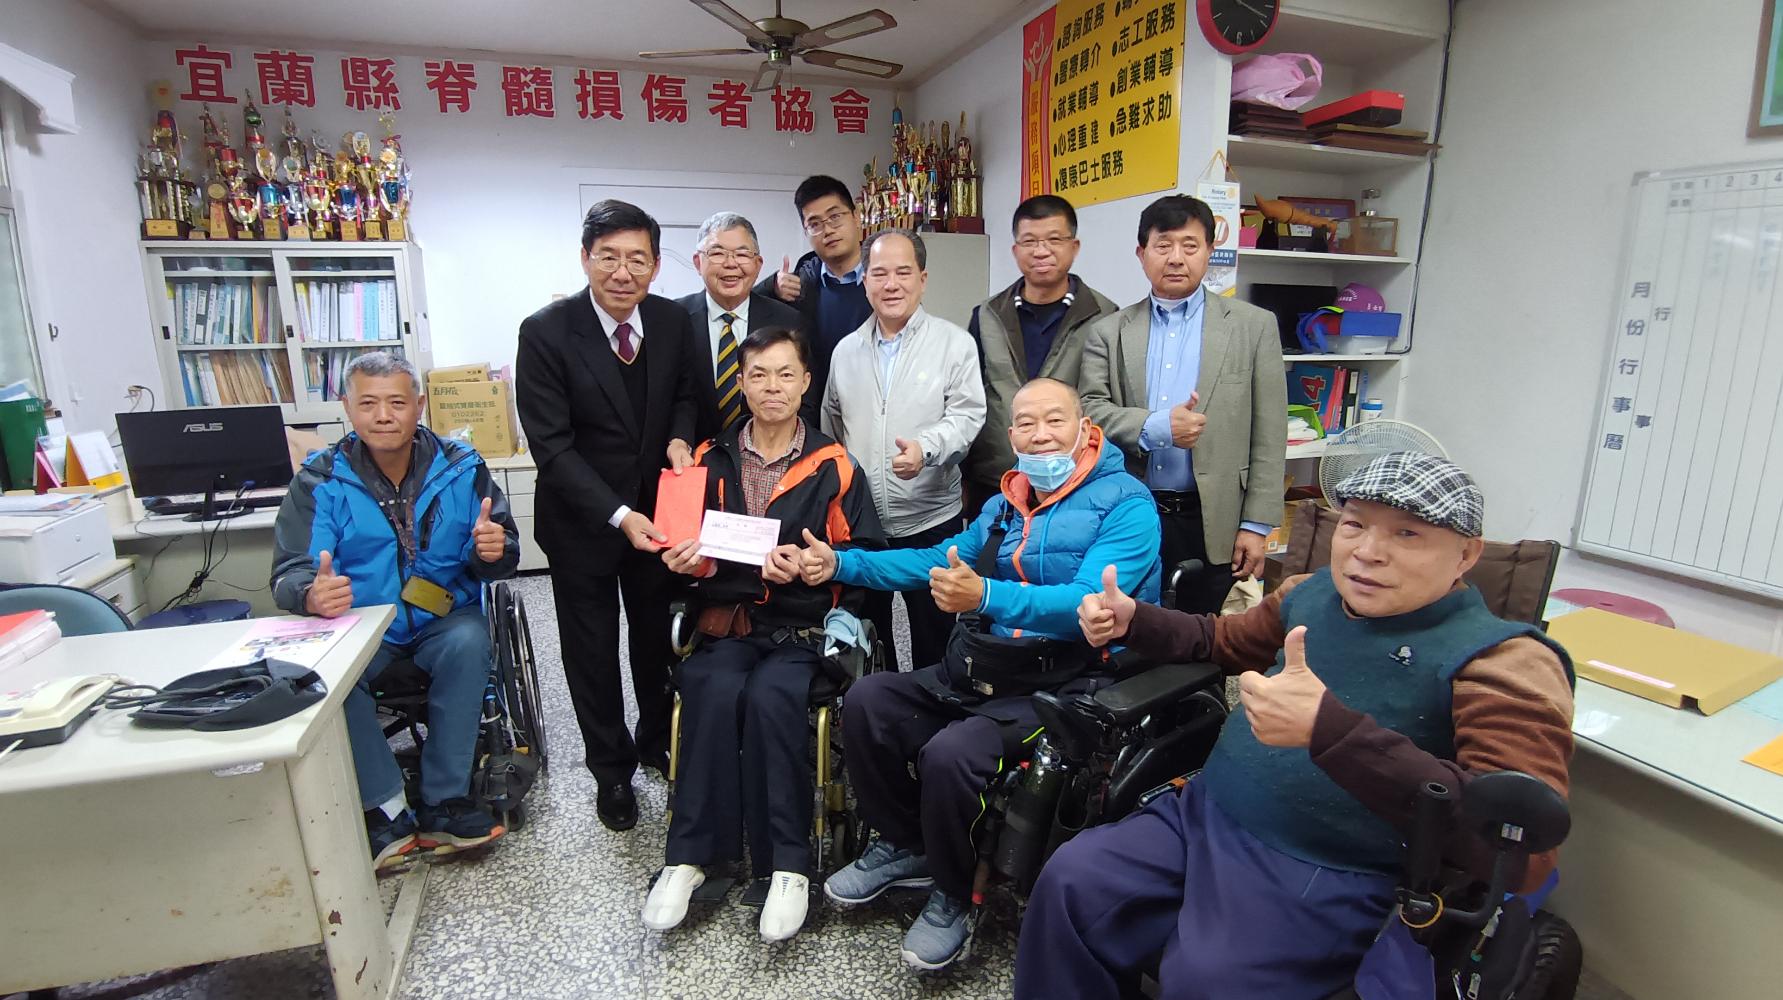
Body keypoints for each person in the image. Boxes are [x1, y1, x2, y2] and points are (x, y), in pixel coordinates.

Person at [1015, 452, 1576, 1000]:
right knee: (1071, 882)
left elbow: (1519, 854)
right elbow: (1221, 639)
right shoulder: (1310, 592)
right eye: (1354, 525)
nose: (1368, 553)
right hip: (1206, 814)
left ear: (1466, 554)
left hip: (1330, 865)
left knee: (1211, 981)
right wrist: (1135, 620)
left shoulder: (1505, 662)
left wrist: (1331, 733)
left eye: (1407, 534)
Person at [800, 378, 1161, 971]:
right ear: (1011, 435)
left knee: (952, 752)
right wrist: (841, 561)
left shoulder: (1126, 503)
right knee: (868, 700)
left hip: (1067, 679)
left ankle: (954, 891)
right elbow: (934, 561)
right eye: (1026, 424)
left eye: (1055, 420)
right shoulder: (1002, 504)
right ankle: (907, 844)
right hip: (988, 665)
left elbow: (1089, 601)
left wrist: (986, 595)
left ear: (1084, 429)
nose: (1040, 435)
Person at [640, 326, 882, 943]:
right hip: (729, 626)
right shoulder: (705, 460)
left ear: (806, 383)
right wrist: (689, 564)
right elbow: (680, 553)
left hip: (802, 628)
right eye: (759, 375)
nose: (772, 387)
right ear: (742, 384)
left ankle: (788, 866)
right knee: (710, 688)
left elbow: (865, 558)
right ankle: (689, 858)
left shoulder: (835, 465)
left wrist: (818, 566)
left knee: (775, 698)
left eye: (785, 374)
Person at [270, 351, 520, 870]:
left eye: (397, 403)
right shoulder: (319, 482)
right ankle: (385, 809)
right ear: (347, 408)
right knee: (332, 672)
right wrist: (310, 593)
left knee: (470, 643)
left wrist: (492, 549)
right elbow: (290, 570)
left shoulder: (461, 467)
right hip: (360, 624)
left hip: (442, 617)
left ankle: (445, 801)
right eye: (368, 404)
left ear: (419, 406)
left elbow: (503, 550)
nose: (383, 416)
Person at [515, 199, 701, 832]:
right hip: (583, 523)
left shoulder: (672, 321)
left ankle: (655, 741)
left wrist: (679, 438)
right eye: (609, 258)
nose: (623, 273)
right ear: (585, 258)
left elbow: (685, 395)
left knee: (655, 638)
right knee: (591, 651)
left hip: (659, 516)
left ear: (656, 265)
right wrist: (618, 513)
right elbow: (552, 446)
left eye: (638, 260)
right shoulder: (546, 331)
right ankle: (611, 771)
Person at [1078, 194, 1287, 615]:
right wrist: (1156, 426)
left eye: (1190, 245)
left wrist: (1256, 525)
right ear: (1142, 254)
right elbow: (1089, 410)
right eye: (1163, 245)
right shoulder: (1109, 331)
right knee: (1127, 625)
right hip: (1131, 509)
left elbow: (1270, 431)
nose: (1176, 258)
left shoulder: (1253, 326)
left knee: (1204, 633)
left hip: (1216, 517)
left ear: (1210, 250)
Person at [820, 228, 986, 674]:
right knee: (870, 638)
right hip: (864, 523)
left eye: (903, 272)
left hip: (931, 520)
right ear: (864, 281)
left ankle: (934, 710)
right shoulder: (846, 351)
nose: (890, 284)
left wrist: (926, 449)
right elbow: (831, 426)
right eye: (879, 273)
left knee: (935, 638)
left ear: (923, 279)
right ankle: (881, 708)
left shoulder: (954, 344)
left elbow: (969, 416)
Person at [963, 195, 1117, 519]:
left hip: (1077, 482)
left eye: (1054, 240)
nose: (1041, 251)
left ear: (1074, 247)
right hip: (995, 480)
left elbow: (1107, 399)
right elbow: (969, 399)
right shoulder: (987, 315)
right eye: (1030, 241)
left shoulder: (1105, 317)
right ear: (1015, 250)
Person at [675, 211, 804, 442]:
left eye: (742, 254)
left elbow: (805, 402)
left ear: (758, 264)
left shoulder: (788, 321)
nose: (730, 264)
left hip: (772, 456)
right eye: (717, 253)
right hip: (691, 456)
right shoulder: (674, 318)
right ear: (697, 262)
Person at [757, 175, 874, 415]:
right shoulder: (800, 285)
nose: (828, 230)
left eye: (835, 217)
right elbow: (744, 308)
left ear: (856, 217)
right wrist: (771, 287)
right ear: (806, 231)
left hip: (873, 409)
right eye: (815, 223)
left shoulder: (884, 279)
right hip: (813, 414)